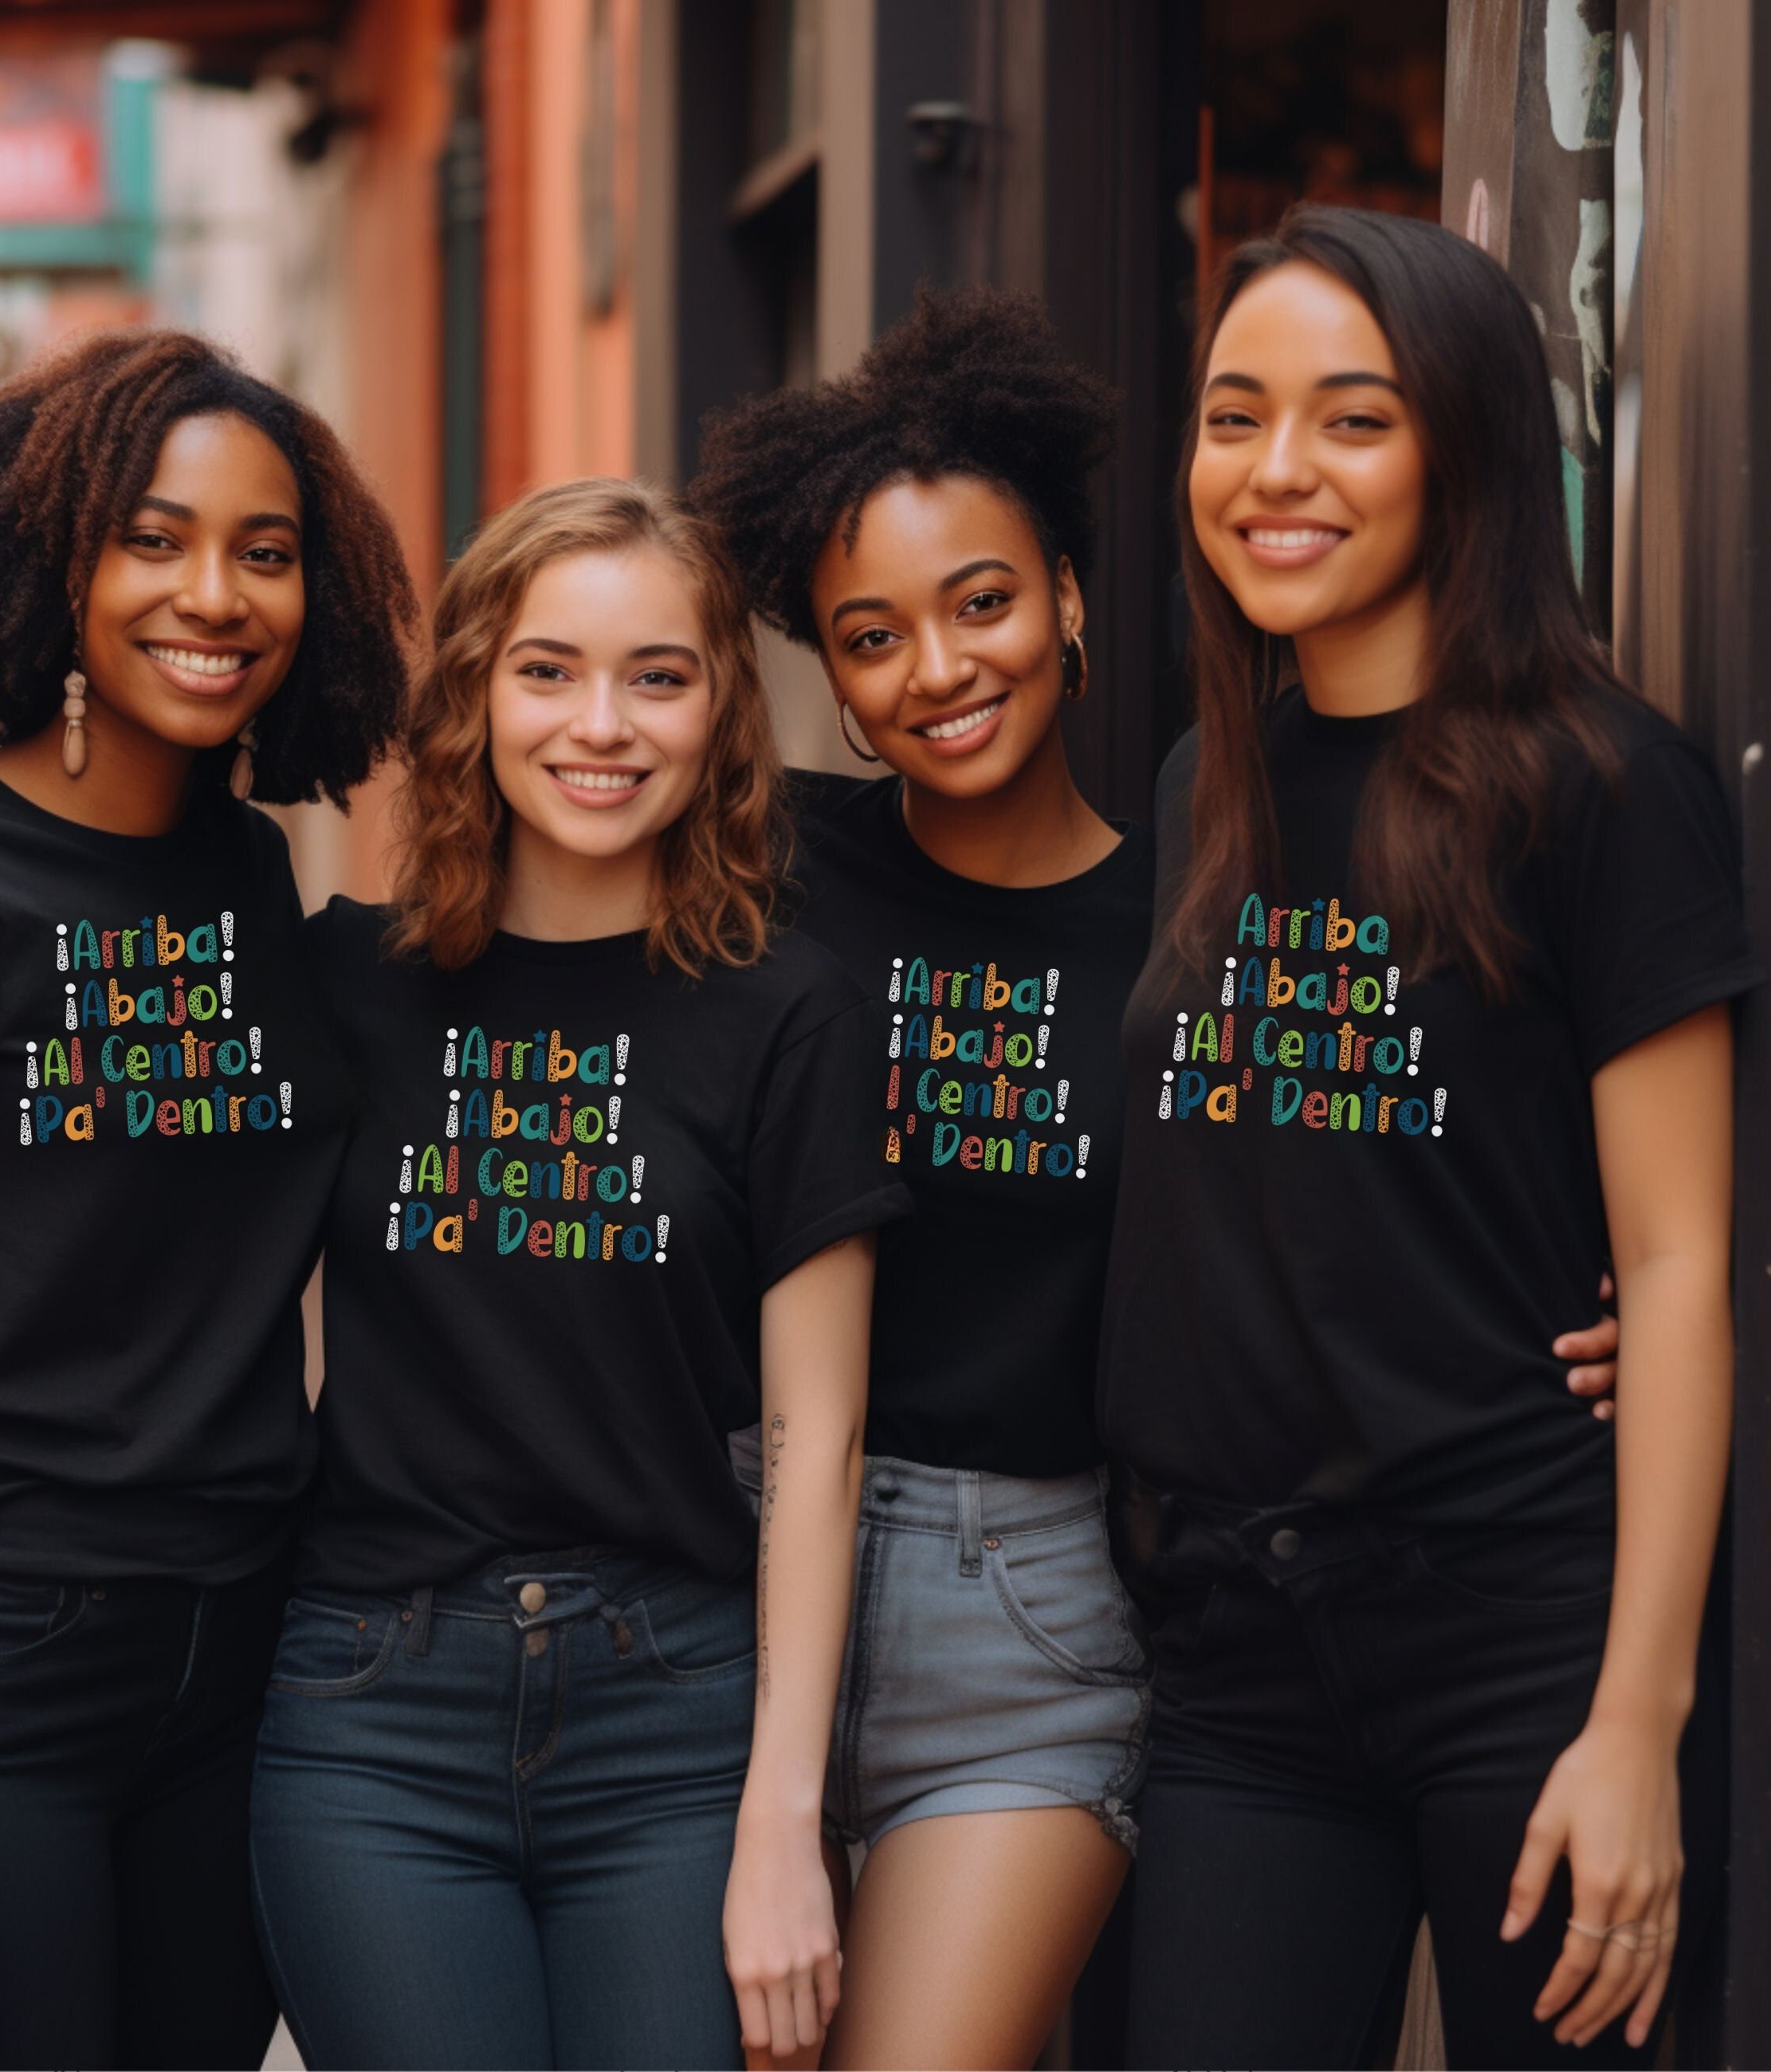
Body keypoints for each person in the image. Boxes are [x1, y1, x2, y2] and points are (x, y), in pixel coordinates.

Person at [690, 285, 1627, 2071]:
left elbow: (1388, 1145)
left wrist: (1621, 1310)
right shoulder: (761, 877)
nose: (937, 670)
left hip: (1040, 1587)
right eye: (869, 637)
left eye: (980, 605)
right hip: (726, 1557)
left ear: (1066, 597)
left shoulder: (1199, 911)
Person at [1102, 204, 1757, 2070]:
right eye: (1234, 416)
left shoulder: (1605, 787)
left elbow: (1682, 1260)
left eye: (1351, 418)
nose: (1274, 471)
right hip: (1237, 1648)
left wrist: (1637, 1724)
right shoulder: (1199, 785)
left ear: (1461, 450)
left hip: (1518, 1635)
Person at [0, 329, 414, 2069]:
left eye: (264, 552)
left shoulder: (254, 872)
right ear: (57, 560)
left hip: (254, 1648)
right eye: (153, 537)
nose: (214, 593)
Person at [248, 478, 910, 2070]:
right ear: (473, 692)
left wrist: (781, 1824)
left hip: (675, 1720)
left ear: (719, 714)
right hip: (370, 1712)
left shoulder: (791, 1011)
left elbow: (818, 1443)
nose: (599, 724)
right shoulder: (345, 980)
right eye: (547, 670)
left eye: (657, 676)